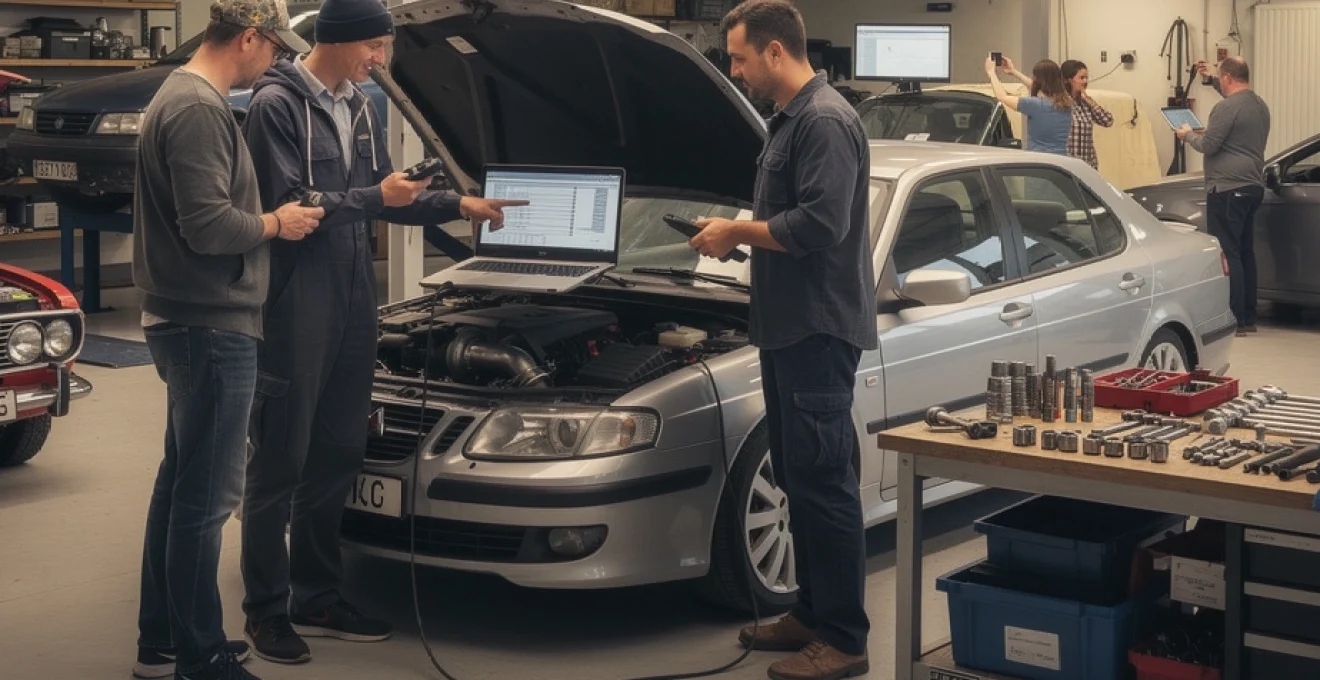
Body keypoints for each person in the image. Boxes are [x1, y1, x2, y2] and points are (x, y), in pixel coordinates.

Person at [236, 0, 526, 665]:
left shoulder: (361, 107)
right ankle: (266, 609)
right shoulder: (276, 106)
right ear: (340, 41)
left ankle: (316, 595)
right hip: (294, 298)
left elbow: (388, 194)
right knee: (280, 458)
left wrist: (456, 202)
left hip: (353, 296)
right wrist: (377, 199)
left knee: (339, 451)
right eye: (375, 46)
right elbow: (289, 206)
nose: (382, 60)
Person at [130, 1, 321, 679]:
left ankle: (161, 641)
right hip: (209, 325)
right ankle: (201, 655)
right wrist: (276, 223)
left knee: (181, 484)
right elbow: (208, 225)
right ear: (248, 38)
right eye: (275, 49)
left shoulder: (183, 96)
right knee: (206, 501)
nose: (277, 62)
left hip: (189, 320)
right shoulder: (197, 109)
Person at [692, 2, 875, 679]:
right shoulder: (789, 121)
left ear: (775, 51)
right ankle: (812, 612)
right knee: (798, 478)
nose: (735, 71)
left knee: (824, 484)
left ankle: (845, 639)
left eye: (740, 59)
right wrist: (734, 235)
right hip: (787, 327)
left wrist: (736, 231)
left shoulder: (823, 121)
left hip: (817, 331)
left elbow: (822, 225)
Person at [1179, 56, 1270, 336]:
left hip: (1227, 188)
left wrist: (1187, 134)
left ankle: (1234, 319)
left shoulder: (1225, 108)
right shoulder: (1259, 105)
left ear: (1228, 77)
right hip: (1252, 186)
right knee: (1245, 251)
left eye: (1221, 77)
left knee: (1229, 253)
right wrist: (1209, 78)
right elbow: (1232, 125)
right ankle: (1249, 317)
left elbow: (1208, 145)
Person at [987, 56, 1073, 155]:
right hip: (1061, 158)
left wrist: (991, 73)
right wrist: (1013, 71)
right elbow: (1039, 88)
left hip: (1039, 158)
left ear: (1037, 79)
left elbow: (1002, 97)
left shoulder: (1035, 105)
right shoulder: (1067, 103)